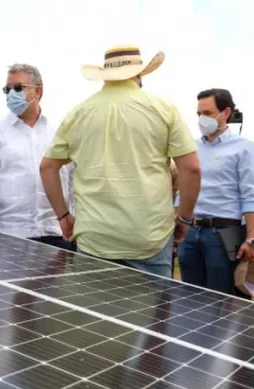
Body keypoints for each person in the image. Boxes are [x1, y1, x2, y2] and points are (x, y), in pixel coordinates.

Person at [40, 45, 200, 276]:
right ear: (139, 73)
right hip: (149, 237)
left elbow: (47, 167)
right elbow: (191, 169)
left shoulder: (78, 113)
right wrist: (184, 218)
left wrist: (64, 216)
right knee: (151, 310)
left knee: (94, 311)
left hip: (93, 237)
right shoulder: (163, 109)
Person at [0, 64, 75, 250]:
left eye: (18, 88)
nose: (11, 94)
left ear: (38, 91)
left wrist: (74, 218)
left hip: (57, 235)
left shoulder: (61, 132)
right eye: (7, 90)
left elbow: (72, 180)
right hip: (9, 236)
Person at [177, 88, 254, 294]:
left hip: (222, 234)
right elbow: (184, 187)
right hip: (190, 231)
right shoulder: (191, 147)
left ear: (226, 113)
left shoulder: (244, 147)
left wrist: (251, 238)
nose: (202, 119)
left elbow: (249, 194)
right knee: (190, 299)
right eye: (198, 114)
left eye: (207, 113)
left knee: (220, 300)